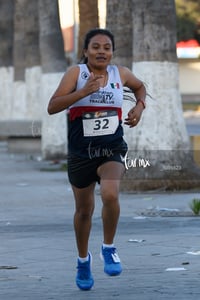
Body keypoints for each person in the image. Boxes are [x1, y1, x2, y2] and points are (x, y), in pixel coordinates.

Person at [47, 28, 146, 291]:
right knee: (83, 211)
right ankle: (82, 260)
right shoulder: (76, 74)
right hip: (81, 153)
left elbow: (139, 87)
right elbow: (52, 106)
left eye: (107, 47)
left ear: (112, 52)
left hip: (111, 148)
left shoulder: (119, 73)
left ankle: (108, 248)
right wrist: (82, 92)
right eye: (96, 47)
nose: (102, 51)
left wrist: (138, 107)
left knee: (111, 194)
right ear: (85, 51)